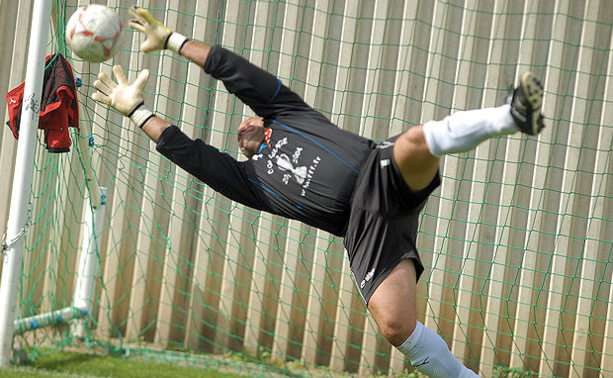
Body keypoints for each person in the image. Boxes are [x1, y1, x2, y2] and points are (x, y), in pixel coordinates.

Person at [92, 6, 545, 377]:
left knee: (411, 142)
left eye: (247, 118)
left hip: (381, 175)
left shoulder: (288, 112)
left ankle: (511, 114)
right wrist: (136, 110)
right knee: (394, 325)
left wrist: (173, 41)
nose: (239, 128)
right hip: (363, 231)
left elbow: (233, 71)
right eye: (235, 137)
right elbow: (192, 155)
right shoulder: (253, 183)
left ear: (261, 115)